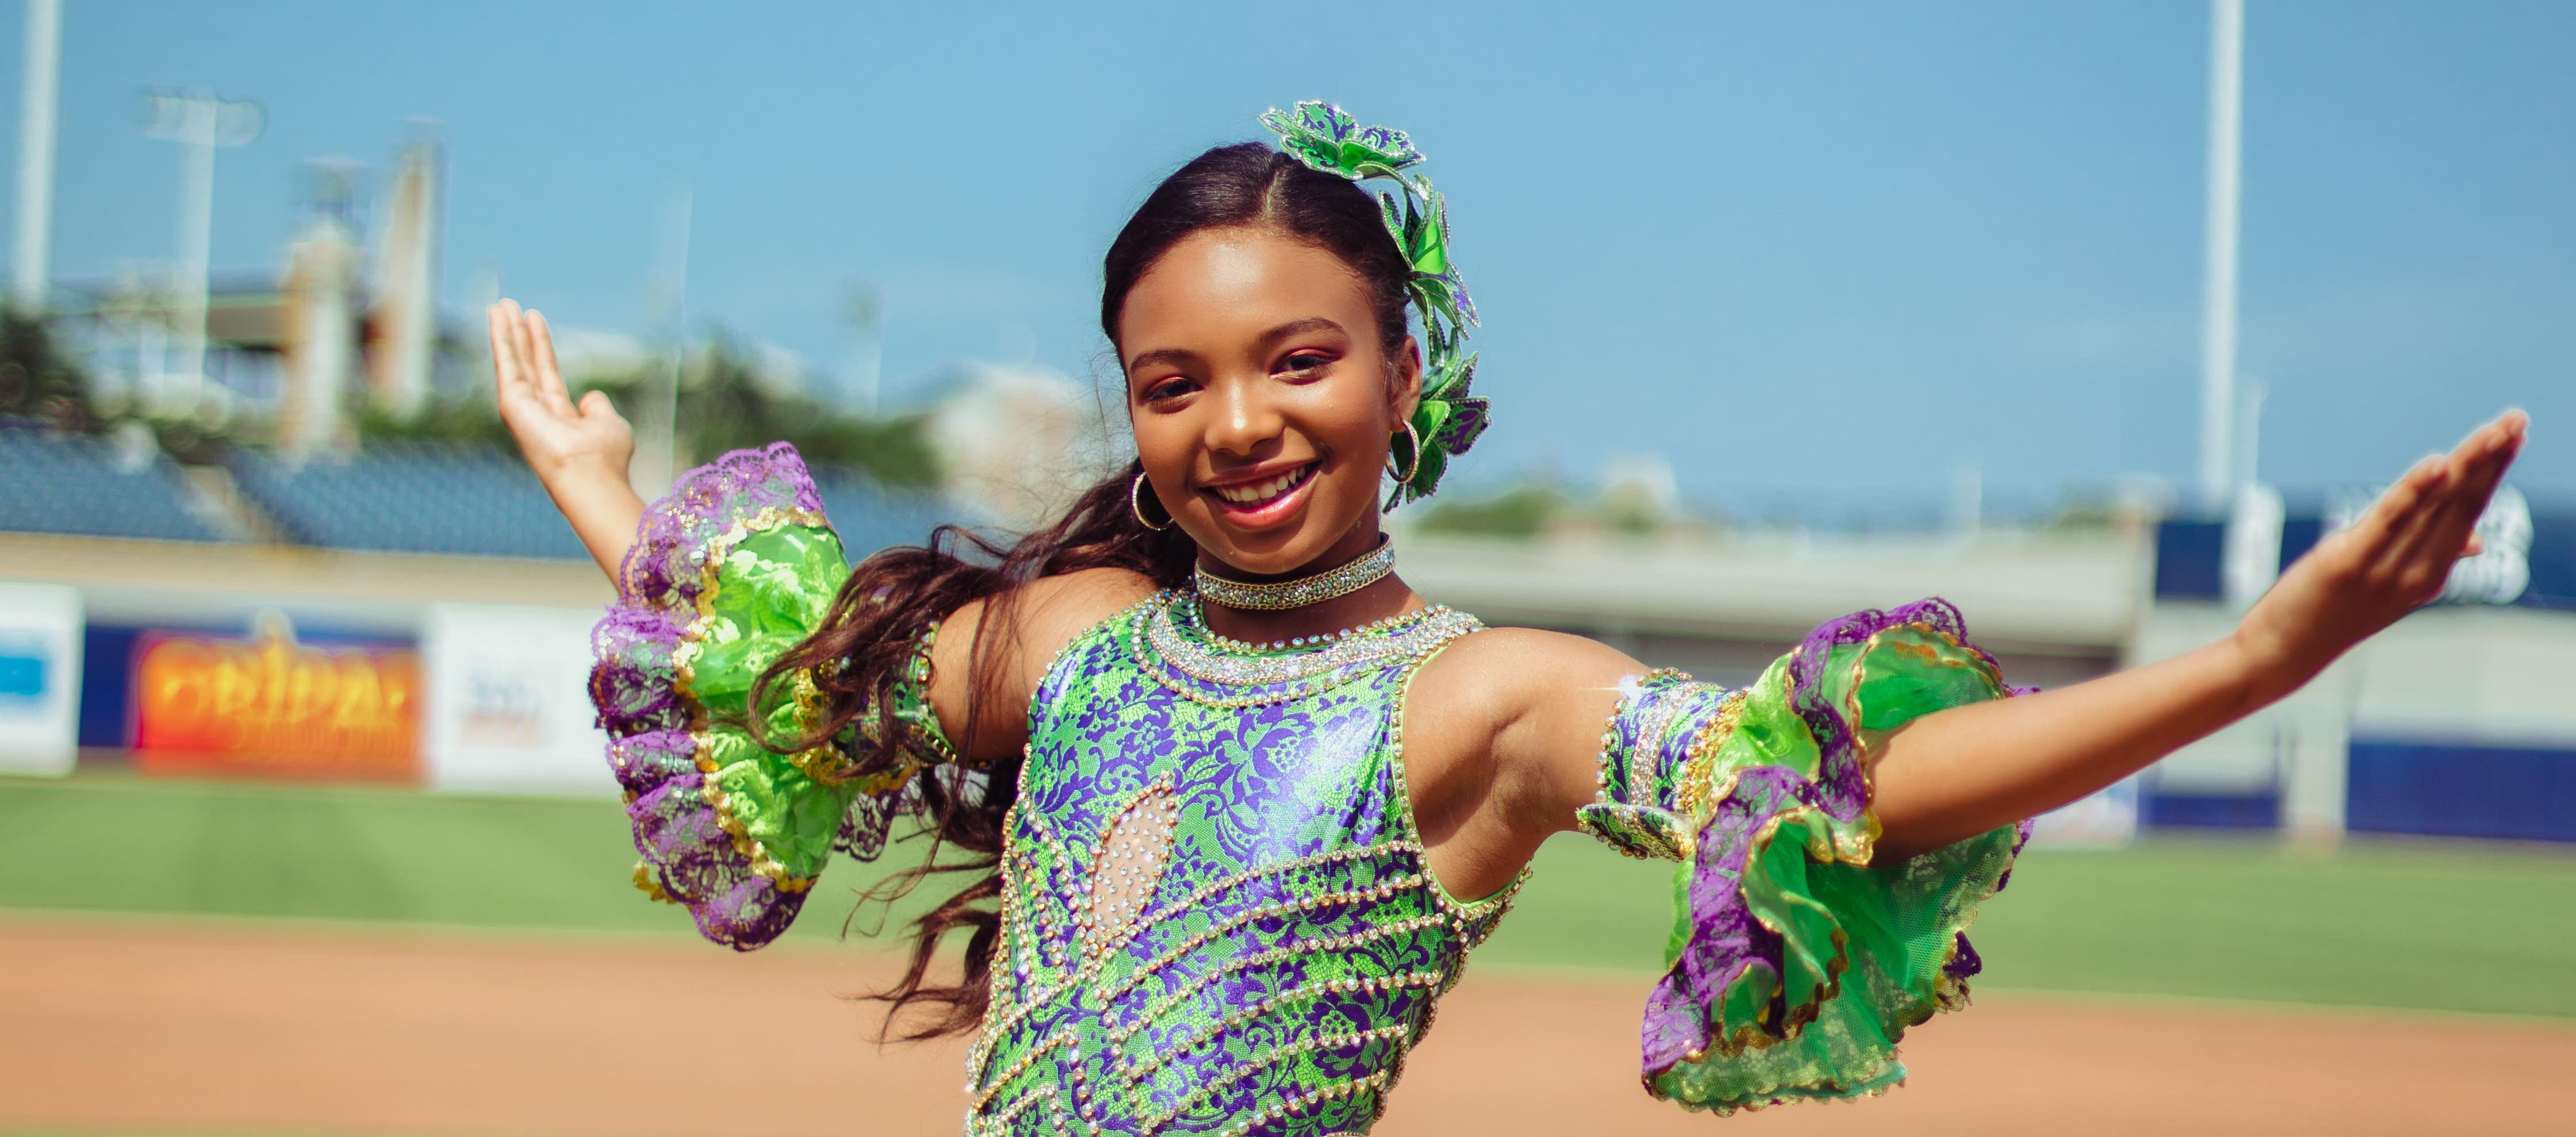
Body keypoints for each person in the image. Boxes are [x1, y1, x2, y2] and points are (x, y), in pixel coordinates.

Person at [489, 102, 2527, 1134]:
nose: (1237, 424)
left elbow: (1849, 787)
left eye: (1299, 361)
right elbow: (792, 675)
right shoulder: (1077, 644)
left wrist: (2256, 662)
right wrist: (606, 496)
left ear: (1401, 373)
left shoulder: (1478, 704)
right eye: (1171, 382)